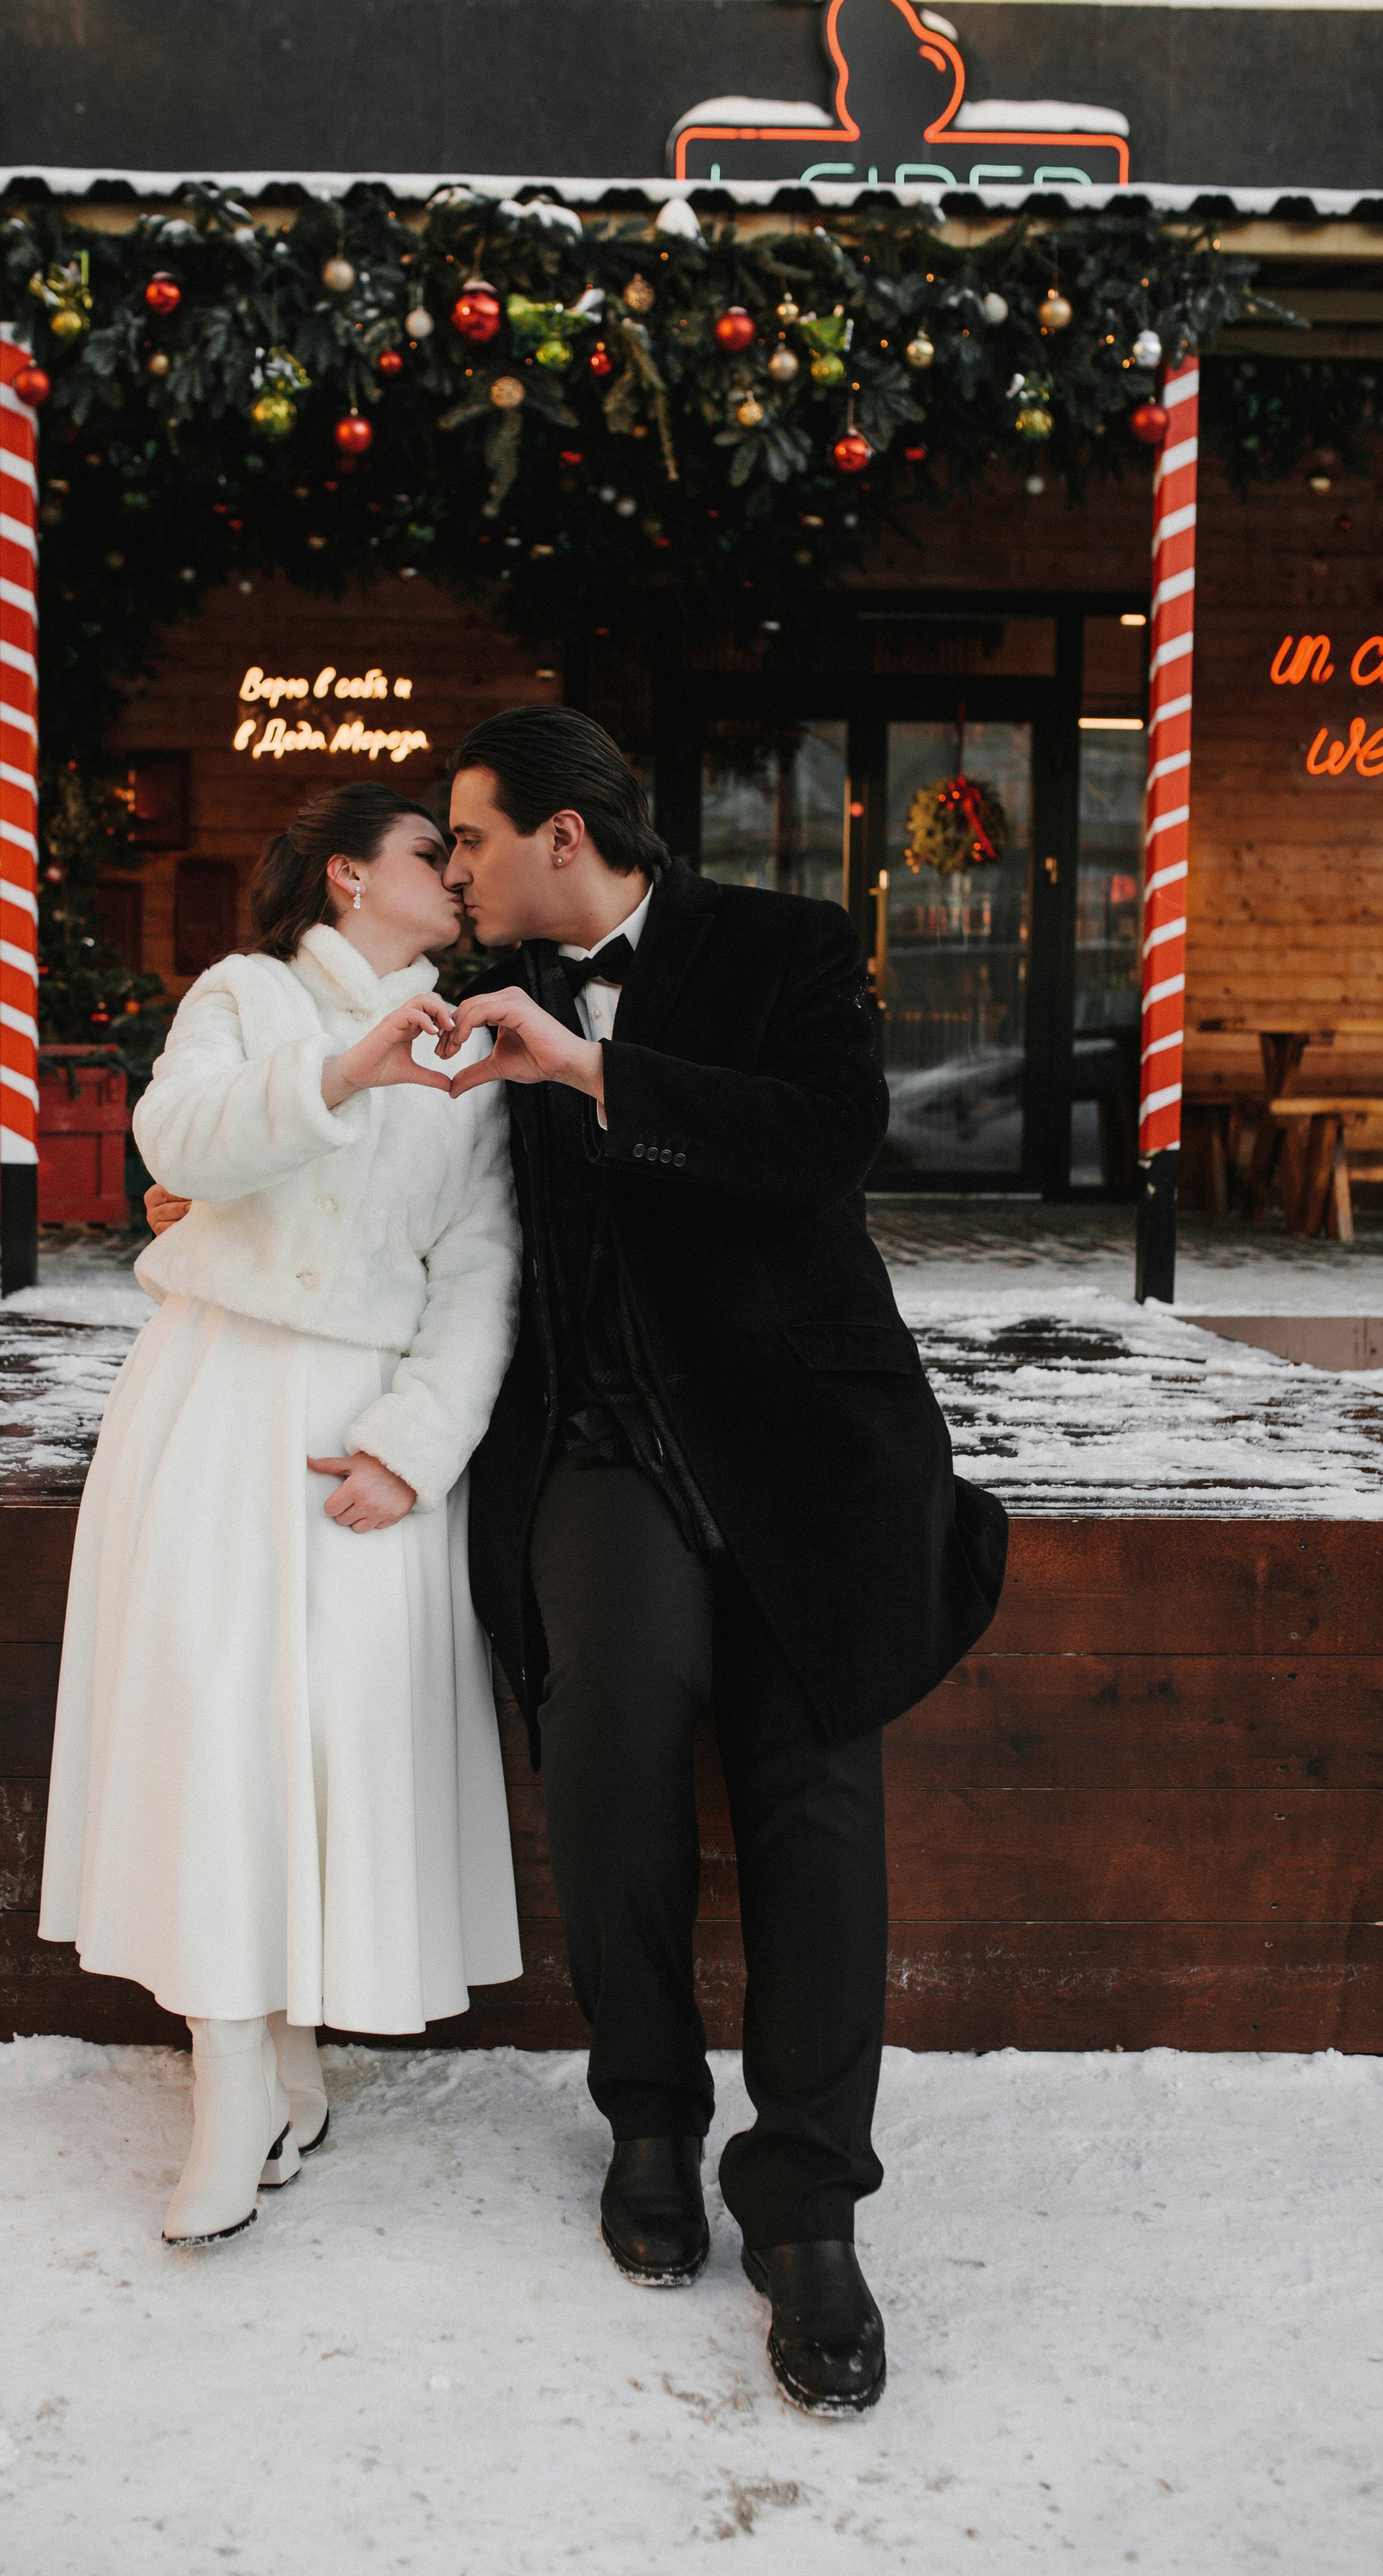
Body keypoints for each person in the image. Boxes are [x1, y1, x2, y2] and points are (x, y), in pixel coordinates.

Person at [431, 706, 1009, 2416]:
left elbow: (823, 1142)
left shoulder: (785, 945)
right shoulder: (472, 993)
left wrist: (588, 1067)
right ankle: (648, 2118)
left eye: (471, 836)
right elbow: (379, 1168)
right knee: (607, 1744)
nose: (453, 868)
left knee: (812, 1797)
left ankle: (809, 2206)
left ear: (562, 834)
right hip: (597, 1442)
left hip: (800, 1447)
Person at [41, 780, 523, 2246]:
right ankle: (232, 2075)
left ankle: (289, 2049)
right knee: (212, 1732)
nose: (455, 876)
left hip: (358, 1433)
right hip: (218, 1396)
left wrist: (415, 1444)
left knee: (323, 1743)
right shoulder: (245, 998)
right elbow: (177, 1146)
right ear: (344, 877)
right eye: (429, 854)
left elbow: (481, 1266)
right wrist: (341, 1071)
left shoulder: (478, 1047)